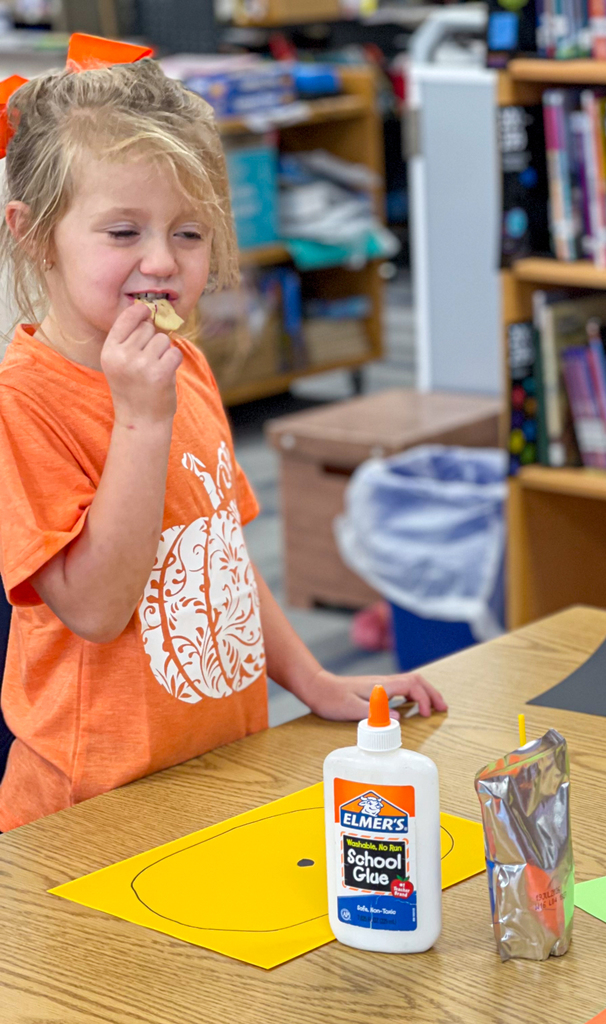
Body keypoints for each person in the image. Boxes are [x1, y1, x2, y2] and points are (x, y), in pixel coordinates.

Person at [0, 45, 445, 832]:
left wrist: (313, 680)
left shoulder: (184, 364)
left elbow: (221, 559)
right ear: (34, 237)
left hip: (217, 771)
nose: (163, 262)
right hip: (91, 808)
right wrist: (140, 420)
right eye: (123, 231)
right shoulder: (24, 401)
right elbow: (97, 609)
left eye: (191, 234)